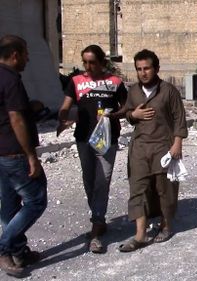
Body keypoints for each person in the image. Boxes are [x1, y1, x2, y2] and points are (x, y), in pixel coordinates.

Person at [57, 45, 128, 253]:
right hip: (83, 139)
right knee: (89, 180)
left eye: (92, 62)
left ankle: (96, 228)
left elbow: (125, 107)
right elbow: (66, 104)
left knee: (103, 180)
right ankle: (99, 217)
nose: (88, 66)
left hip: (107, 140)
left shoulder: (115, 82)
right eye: (85, 62)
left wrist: (113, 115)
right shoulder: (76, 81)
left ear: (102, 63)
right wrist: (63, 116)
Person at [117, 49, 188, 252]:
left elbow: (179, 119)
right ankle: (140, 235)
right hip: (139, 147)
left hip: (163, 147)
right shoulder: (133, 91)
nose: (143, 72)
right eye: (139, 69)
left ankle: (165, 226)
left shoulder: (168, 91)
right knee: (136, 189)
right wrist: (134, 114)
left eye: (146, 68)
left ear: (156, 68)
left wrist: (177, 144)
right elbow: (128, 115)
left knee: (164, 189)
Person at [0, 35, 47, 277]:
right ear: (15, 54)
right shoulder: (10, 80)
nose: (28, 58)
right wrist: (31, 155)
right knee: (36, 200)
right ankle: (4, 247)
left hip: (1, 154)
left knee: (9, 204)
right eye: (26, 53)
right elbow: (16, 119)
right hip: (15, 152)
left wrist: (31, 108)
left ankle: (18, 250)